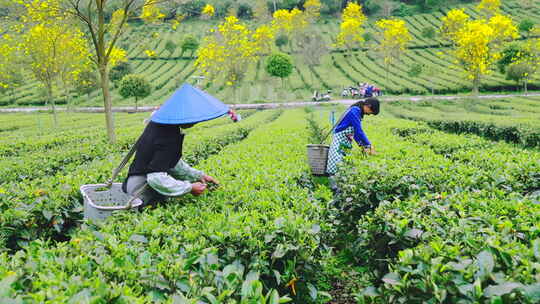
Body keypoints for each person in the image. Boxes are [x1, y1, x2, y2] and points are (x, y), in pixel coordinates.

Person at [122, 83, 238, 205]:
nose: (195, 122)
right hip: (140, 192)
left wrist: (199, 176)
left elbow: (172, 164)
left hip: (136, 185)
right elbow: (155, 178)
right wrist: (189, 187)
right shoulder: (167, 136)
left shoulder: (162, 125)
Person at [326, 98, 380, 189]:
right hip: (339, 141)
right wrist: (369, 145)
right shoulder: (354, 111)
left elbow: (355, 134)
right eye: (371, 112)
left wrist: (363, 146)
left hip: (345, 143)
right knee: (335, 164)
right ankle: (333, 189)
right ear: (368, 106)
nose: (369, 114)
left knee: (344, 165)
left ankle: (340, 188)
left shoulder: (358, 112)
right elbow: (359, 131)